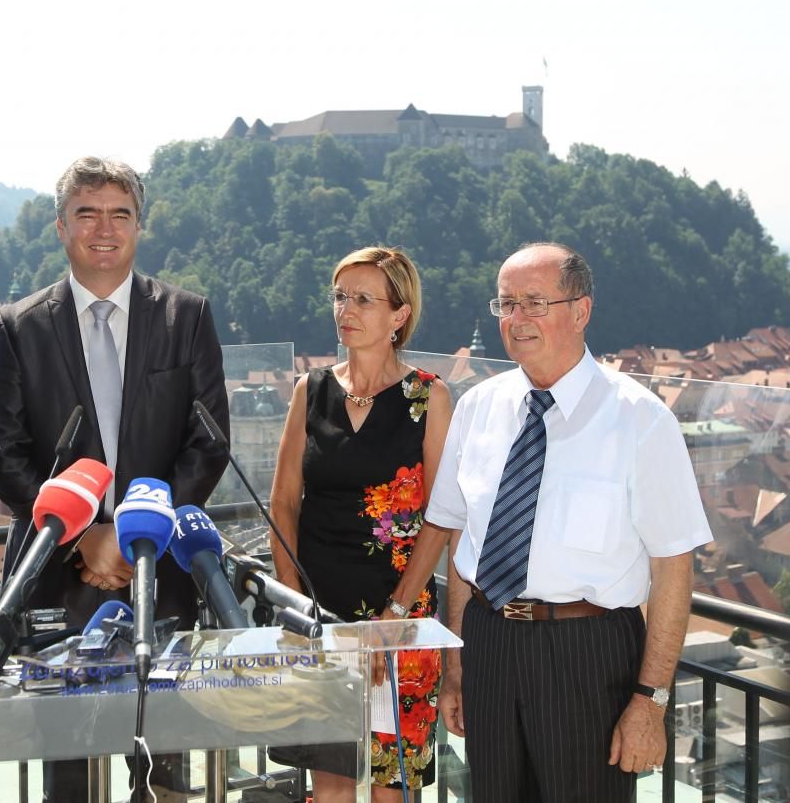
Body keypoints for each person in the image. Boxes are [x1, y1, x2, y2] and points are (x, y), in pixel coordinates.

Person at [422, 242, 712, 802]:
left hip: (587, 654)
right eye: (506, 303)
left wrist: (650, 701)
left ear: (581, 311)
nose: (517, 318)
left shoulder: (640, 420)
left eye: (535, 302)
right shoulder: (477, 407)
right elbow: (463, 543)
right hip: (487, 641)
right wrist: (456, 666)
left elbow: (674, 568)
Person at [0, 156, 230, 799]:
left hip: (162, 574)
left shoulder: (187, 316)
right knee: (69, 778)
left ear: (139, 226)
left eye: (120, 214)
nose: (104, 228)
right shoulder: (19, 326)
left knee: (167, 774)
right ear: (60, 226)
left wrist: (134, 537)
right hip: (59, 577)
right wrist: (87, 535)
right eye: (86, 213)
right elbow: (2, 451)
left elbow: (208, 442)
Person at [268, 246, 453, 801]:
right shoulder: (311, 390)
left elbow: (441, 517)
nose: (345, 310)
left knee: (390, 787)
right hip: (319, 618)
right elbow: (284, 503)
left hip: (399, 618)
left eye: (364, 299)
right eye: (340, 296)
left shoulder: (428, 397)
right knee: (330, 787)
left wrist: (393, 617)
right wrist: (295, 606)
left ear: (400, 315)